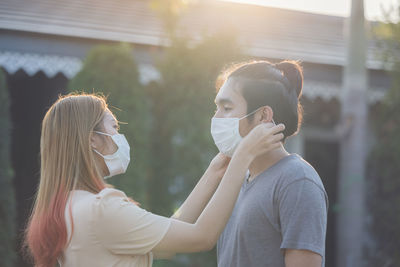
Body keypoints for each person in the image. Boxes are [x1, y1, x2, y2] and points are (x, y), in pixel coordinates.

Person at [23, 93, 285, 267]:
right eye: (113, 127)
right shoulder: (101, 209)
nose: (119, 135)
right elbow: (201, 237)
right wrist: (244, 155)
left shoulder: (68, 205)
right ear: (92, 139)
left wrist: (214, 172)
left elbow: (171, 234)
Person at [212, 60, 328, 267]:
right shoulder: (237, 178)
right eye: (217, 107)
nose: (217, 117)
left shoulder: (297, 181)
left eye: (227, 107)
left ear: (263, 116)